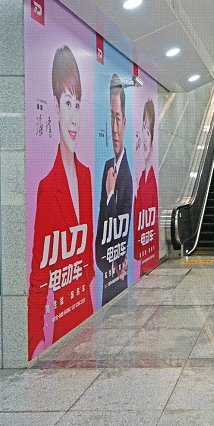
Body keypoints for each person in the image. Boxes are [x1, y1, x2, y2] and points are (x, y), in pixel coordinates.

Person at [28, 45, 95, 360]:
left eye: (77, 104)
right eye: (67, 102)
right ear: (55, 107)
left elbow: (88, 259)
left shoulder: (86, 176)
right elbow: (38, 279)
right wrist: (35, 342)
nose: (73, 115)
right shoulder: (47, 188)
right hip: (62, 329)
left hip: (88, 314)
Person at [96, 74, 133, 305]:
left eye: (118, 119)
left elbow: (119, 233)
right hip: (107, 279)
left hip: (118, 280)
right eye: (111, 118)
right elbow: (100, 240)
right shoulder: (108, 167)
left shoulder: (127, 177)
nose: (115, 129)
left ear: (125, 122)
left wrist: (110, 196)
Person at [133, 99, 160, 275]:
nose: (143, 136)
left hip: (148, 263)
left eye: (148, 132)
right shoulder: (140, 179)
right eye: (143, 128)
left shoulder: (151, 181)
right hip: (143, 265)